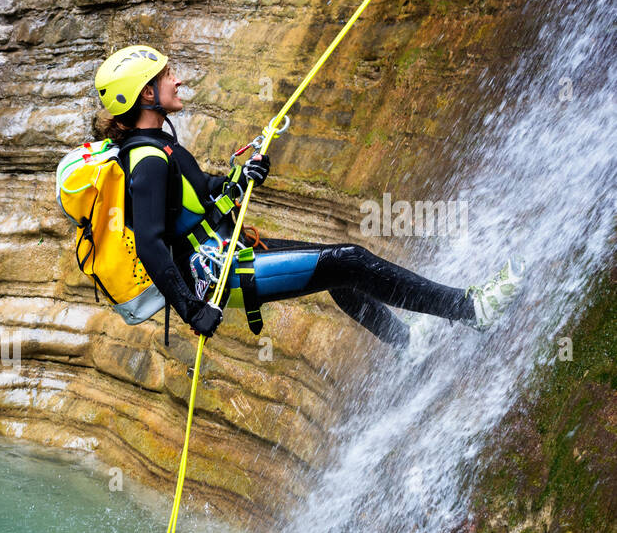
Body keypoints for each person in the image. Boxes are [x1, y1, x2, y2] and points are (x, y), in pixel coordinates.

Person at [91, 45, 523, 344]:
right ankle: (471, 310)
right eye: (168, 76)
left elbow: (200, 195)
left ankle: (405, 341)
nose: (177, 80)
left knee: (333, 269)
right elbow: (150, 242)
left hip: (228, 251)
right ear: (147, 94)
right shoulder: (146, 160)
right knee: (349, 261)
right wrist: (191, 311)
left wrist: (240, 179)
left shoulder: (157, 147)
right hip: (218, 273)